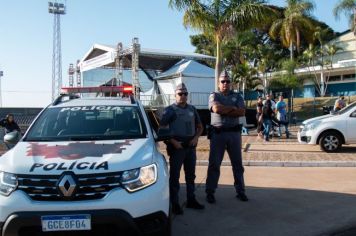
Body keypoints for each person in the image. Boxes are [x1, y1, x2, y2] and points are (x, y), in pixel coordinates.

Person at [159, 83, 204, 215]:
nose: (183, 96)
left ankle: (191, 199)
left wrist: (196, 138)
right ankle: (175, 203)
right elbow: (161, 130)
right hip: (177, 148)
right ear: (175, 95)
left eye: (185, 93)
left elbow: (200, 127)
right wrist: (173, 142)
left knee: (191, 176)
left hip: (191, 147)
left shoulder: (192, 109)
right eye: (180, 94)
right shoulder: (169, 111)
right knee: (175, 177)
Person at [205, 70, 248, 204]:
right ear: (219, 83)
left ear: (231, 83)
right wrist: (233, 108)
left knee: (238, 165)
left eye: (227, 81)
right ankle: (210, 192)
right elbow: (216, 109)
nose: (225, 83)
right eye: (223, 81)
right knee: (214, 165)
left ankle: (240, 191)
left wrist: (227, 109)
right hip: (218, 134)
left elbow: (242, 112)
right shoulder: (214, 95)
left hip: (234, 135)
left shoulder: (237, 95)